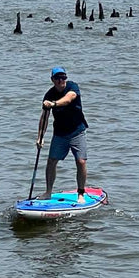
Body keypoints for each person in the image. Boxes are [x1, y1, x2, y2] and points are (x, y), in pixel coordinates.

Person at [35, 66, 89, 202]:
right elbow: (44, 118)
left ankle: (81, 193)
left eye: (63, 77)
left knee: (81, 161)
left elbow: (69, 98)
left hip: (77, 131)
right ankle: (48, 192)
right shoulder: (49, 95)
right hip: (60, 134)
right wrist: (40, 137)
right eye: (57, 78)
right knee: (51, 161)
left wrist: (53, 104)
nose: (61, 80)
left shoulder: (72, 87)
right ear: (52, 80)